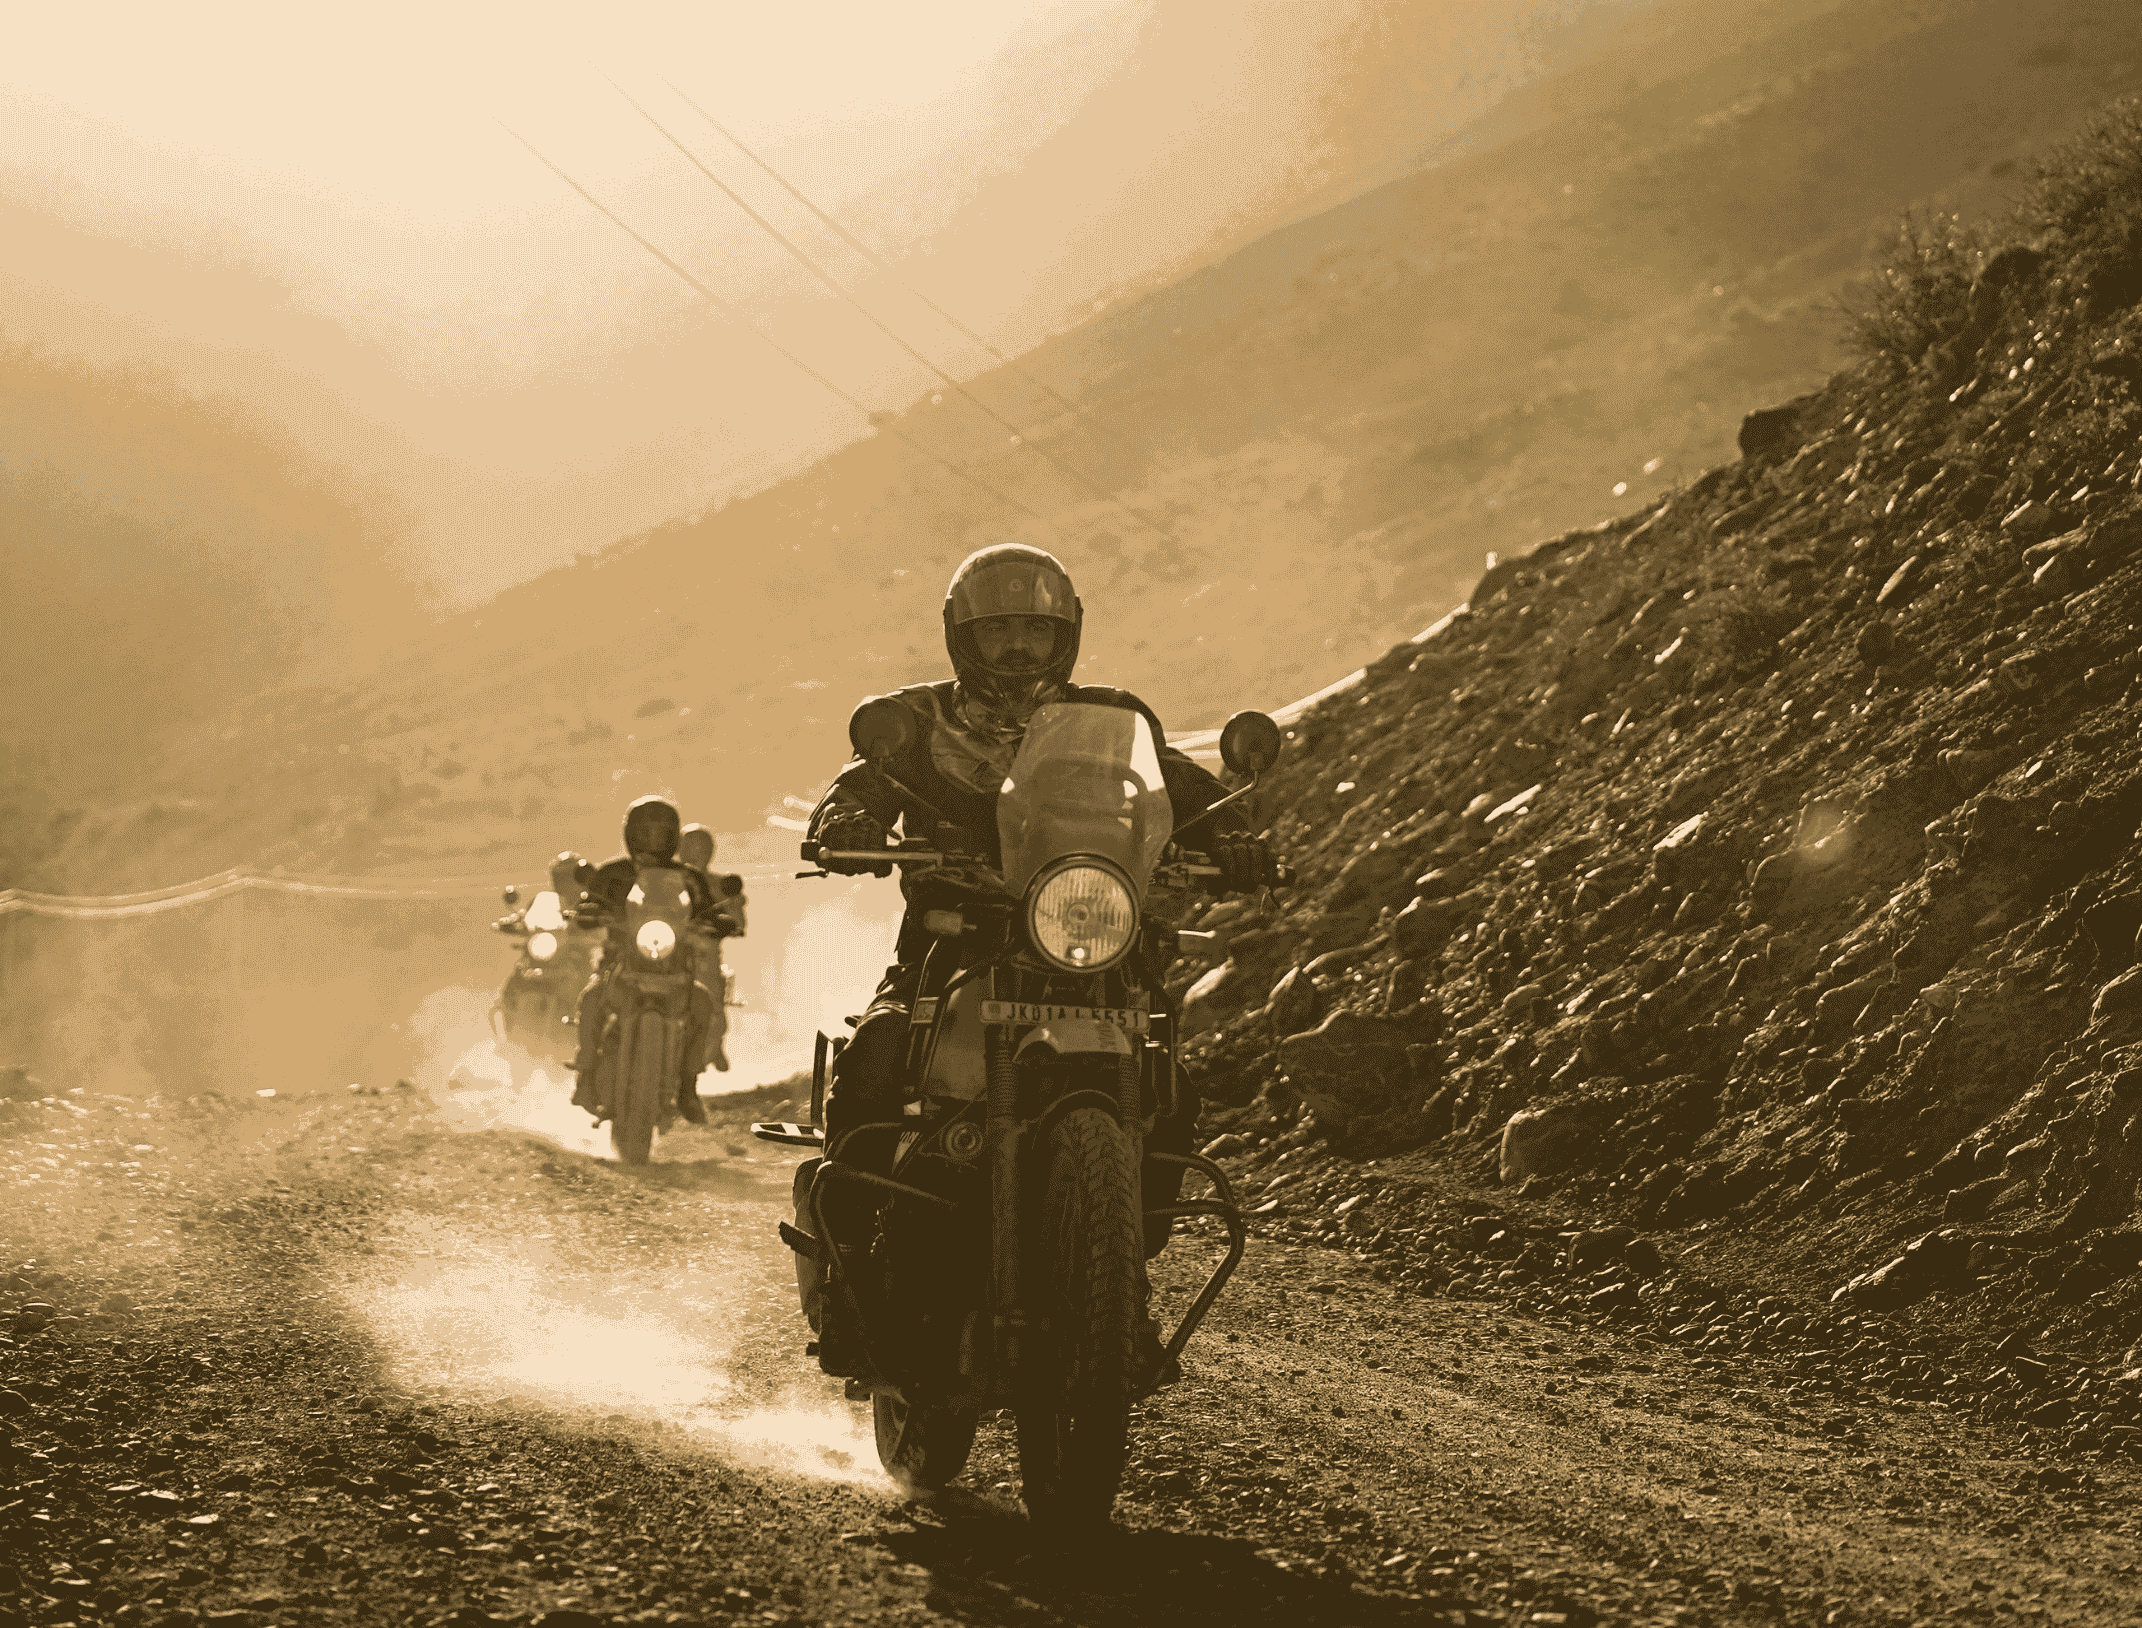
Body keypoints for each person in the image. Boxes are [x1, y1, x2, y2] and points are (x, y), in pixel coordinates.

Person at [802, 542, 1274, 1235]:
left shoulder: (1112, 718)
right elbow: (859, 784)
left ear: (1066, 635)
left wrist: (1231, 836)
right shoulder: (914, 722)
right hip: (953, 939)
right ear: (962, 636)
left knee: (1170, 1085)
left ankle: (1125, 1259)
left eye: (1036, 629)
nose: (1019, 646)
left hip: (1092, 933)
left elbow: (1175, 783)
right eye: (998, 629)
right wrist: (846, 822)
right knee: (876, 1058)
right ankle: (843, 1251)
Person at [569, 796, 723, 1125]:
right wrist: (588, 911)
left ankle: (688, 1087)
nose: (653, 840)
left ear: (673, 837)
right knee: (593, 999)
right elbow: (589, 902)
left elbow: (709, 909)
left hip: (674, 963)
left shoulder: (690, 878)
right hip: (621, 960)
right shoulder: (612, 873)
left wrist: (719, 921)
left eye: (661, 833)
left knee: (703, 1005)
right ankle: (585, 1076)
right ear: (630, 835)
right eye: (645, 833)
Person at [677, 822, 747, 1075]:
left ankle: (715, 1044)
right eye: (690, 847)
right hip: (663, 947)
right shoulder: (665, 878)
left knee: (713, 1000)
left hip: (704, 954)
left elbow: (737, 920)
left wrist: (732, 918)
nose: (695, 853)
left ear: (709, 851)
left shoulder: (720, 884)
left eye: (701, 848)